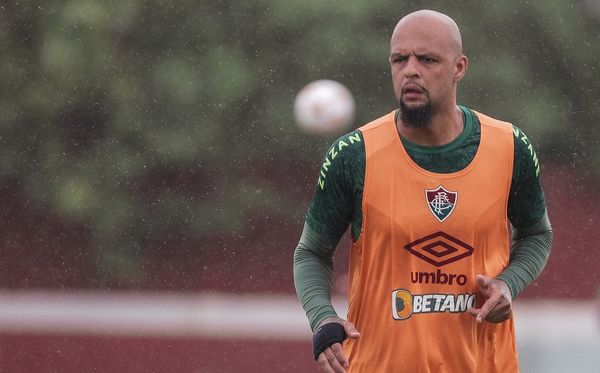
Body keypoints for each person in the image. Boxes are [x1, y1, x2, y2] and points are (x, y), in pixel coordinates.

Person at [293, 9, 553, 373]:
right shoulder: (353, 155)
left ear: (459, 67)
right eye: (399, 59)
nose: (410, 70)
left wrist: (509, 284)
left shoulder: (510, 147)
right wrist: (322, 318)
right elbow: (311, 253)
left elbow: (537, 234)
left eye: (427, 59)